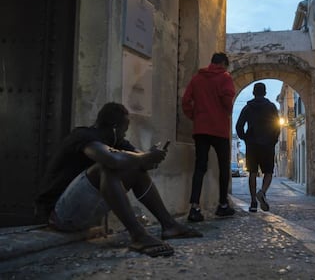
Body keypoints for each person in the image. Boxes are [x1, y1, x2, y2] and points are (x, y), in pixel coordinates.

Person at [35, 102, 202, 258]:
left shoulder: (117, 141)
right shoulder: (84, 136)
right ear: (115, 128)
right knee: (106, 168)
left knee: (134, 167)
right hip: (60, 215)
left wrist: (152, 157)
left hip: (82, 214)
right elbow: (110, 159)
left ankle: (169, 225)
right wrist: (145, 157)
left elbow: (140, 162)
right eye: (124, 129)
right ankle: (138, 235)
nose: (124, 134)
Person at [182, 52, 236, 222]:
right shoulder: (225, 77)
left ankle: (194, 208)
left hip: (201, 129)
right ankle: (222, 205)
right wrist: (225, 113)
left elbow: (185, 100)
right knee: (223, 167)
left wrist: (195, 116)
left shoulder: (197, 78)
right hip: (219, 129)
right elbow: (228, 101)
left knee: (200, 167)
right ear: (223, 64)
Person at [235, 82, 280, 212]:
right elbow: (277, 125)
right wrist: (274, 140)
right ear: (265, 93)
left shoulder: (248, 108)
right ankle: (263, 192)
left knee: (252, 173)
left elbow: (239, 126)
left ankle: (253, 202)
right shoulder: (271, 107)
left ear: (254, 93)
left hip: (252, 145)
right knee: (268, 172)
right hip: (268, 144)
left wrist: (245, 138)